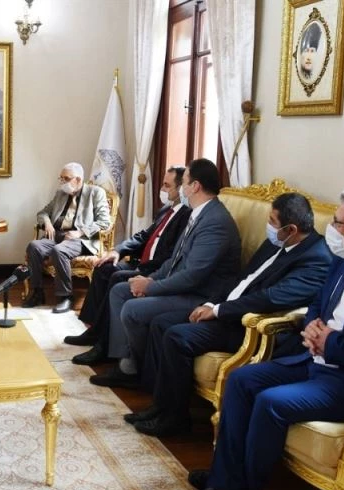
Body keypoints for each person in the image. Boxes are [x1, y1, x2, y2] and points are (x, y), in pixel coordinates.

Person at [179, 187, 344, 490]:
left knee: (270, 401)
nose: (330, 228)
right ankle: (225, 477)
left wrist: (331, 343)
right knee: (241, 379)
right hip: (313, 361)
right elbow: (318, 303)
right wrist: (313, 325)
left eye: (338, 223)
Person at [128, 193, 332, 438]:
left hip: (248, 325)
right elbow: (242, 279)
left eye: (272, 221)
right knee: (161, 323)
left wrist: (218, 311)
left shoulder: (316, 258)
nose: (268, 225)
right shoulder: (277, 241)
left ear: (291, 229)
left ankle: (175, 420)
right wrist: (211, 302)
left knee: (177, 336)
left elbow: (270, 298)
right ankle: (159, 406)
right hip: (227, 308)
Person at [87, 158, 241, 387]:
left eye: (184, 182)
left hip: (200, 296)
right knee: (120, 290)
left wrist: (151, 287)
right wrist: (149, 279)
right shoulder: (198, 213)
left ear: (195, 186)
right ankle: (125, 362)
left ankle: (134, 370)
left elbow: (192, 276)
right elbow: (174, 260)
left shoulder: (215, 222)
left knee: (132, 308)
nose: (181, 188)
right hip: (183, 286)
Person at [68, 166, 191, 346]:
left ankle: (103, 336)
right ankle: (92, 327)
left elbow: (171, 255)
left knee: (117, 277)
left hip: (154, 269)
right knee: (104, 267)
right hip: (139, 261)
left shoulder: (187, 216)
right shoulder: (166, 209)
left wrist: (142, 268)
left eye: (167, 185)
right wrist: (117, 251)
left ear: (180, 188)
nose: (162, 190)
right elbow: (143, 236)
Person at [22, 162, 112, 313]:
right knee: (34, 246)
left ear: (78, 179)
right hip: (57, 235)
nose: (62, 182)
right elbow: (42, 213)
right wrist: (47, 222)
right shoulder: (61, 194)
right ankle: (37, 292)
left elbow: (104, 222)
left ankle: (65, 297)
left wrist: (80, 232)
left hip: (80, 239)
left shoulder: (96, 193)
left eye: (66, 178)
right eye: (61, 178)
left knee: (59, 250)